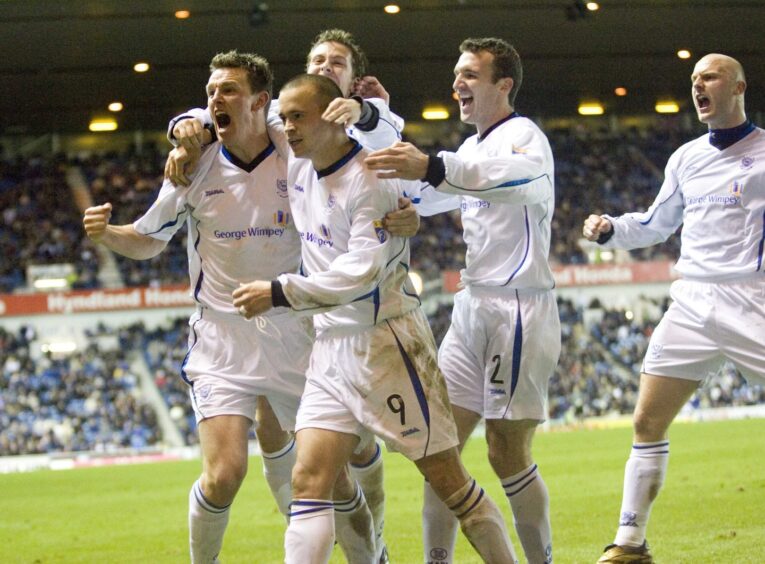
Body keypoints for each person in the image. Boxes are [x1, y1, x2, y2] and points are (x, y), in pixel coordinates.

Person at [82, 51, 402, 564]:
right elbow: (148, 239)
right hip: (221, 339)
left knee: (336, 480)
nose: (214, 101)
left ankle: (374, 555)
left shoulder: (293, 150)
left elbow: (352, 167)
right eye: (210, 93)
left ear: (261, 102)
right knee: (224, 474)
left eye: (227, 91)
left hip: (294, 333)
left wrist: (399, 213)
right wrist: (109, 234)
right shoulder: (194, 165)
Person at [236, 72, 519, 564]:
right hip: (330, 346)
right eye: (284, 118)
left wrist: (281, 291)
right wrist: (184, 132)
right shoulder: (299, 165)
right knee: (308, 480)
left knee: (450, 483)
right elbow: (237, 117)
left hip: (386, 345)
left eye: (298, 116)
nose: (287, 127)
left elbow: (361, 273)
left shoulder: (371, 178)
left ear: (334, 117)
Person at [365, 38, 560, 564]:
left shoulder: (524, 138)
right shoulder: (470, 150)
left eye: (471, 74)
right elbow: (426, 192)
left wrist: (430, 165)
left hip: (518, 307)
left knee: (506, 454)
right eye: (457, 74)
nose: (458, 84)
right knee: (438, 449)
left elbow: (523, 180)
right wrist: (380, 126)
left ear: (504, 84)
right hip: (473, 304)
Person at [582, 53, 765, 563]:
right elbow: (657, 223)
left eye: (708, 77)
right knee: (646, 422)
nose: (697, 85)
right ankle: (630, 545)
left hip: (753, 300)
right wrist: (612, 229)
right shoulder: (685, 158)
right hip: (691, 304)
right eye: (693, 80)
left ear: (738, 87)